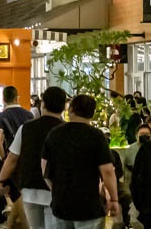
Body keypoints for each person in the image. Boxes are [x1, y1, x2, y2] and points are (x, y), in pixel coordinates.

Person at [0, 85, 68, 229]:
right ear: (64, 107)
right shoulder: (66, 130)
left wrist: (1, 180)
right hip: (56, 190)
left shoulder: (27, 128)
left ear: (43, 104)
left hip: (30, 189)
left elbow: (12, 159)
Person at [41, 94, 119, 229]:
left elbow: (45, 168)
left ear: (70, 109)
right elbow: (107, 170)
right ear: (92, 113)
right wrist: (113, 199)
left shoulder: (55, 134)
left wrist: (56, 190)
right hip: (89, 206)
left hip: (61, 205)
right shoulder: (96, 136)